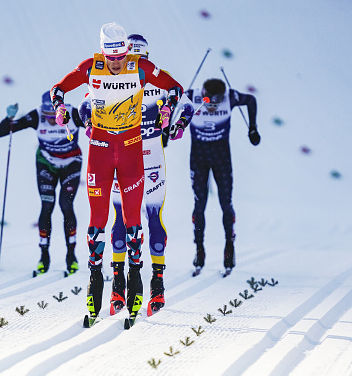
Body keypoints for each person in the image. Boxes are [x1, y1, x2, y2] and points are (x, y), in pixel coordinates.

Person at [51, 22, 184, 323]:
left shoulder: (140, 66)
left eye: (121, 57)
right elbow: (58, 89)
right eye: (111, 57)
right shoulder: (90, 67)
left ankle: (137, 280)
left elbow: (176, 88)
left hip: (131, 149)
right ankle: (97, 283)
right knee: (98, 220)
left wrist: (166, 110)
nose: (116, 63)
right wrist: (60, 109)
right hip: (99, 149)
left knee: (134, 220)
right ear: (103, 52)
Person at [78, 34, 176, 317]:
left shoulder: (154, 78)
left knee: (153, 218)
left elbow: (186, 101)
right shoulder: (113, 80)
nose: (136, 63)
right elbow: (87, 101)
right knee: (121, 219)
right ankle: (118, 284)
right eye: (133, 58)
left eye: (140, 58)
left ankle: (157, 284)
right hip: (120, 156)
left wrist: (176, 120)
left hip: (151, 161)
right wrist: (87, 121)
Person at [169, 78, 260, 275]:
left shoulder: (231, 97)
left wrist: (252, 127)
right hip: (199, 158)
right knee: (199, 203)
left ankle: (229, 246)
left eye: (216, 104)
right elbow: (171, 102)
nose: (211, 107)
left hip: (221, 158)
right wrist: (165, 131)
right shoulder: (192, 96)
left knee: (225, 203)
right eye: (208, 102)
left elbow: (251, 100)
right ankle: (199, 249)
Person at [0, 92, 84, 276]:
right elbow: (1, 132)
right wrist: (10, 117)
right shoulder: (36, 116)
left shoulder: (74, 114)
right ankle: (44, 256)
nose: (51, 119)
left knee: (66, 205)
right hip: (45, 164)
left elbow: (101, 128)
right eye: (47, 115)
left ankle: (71, 255)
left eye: (54, 115)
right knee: (47, 205)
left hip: (71, 163)